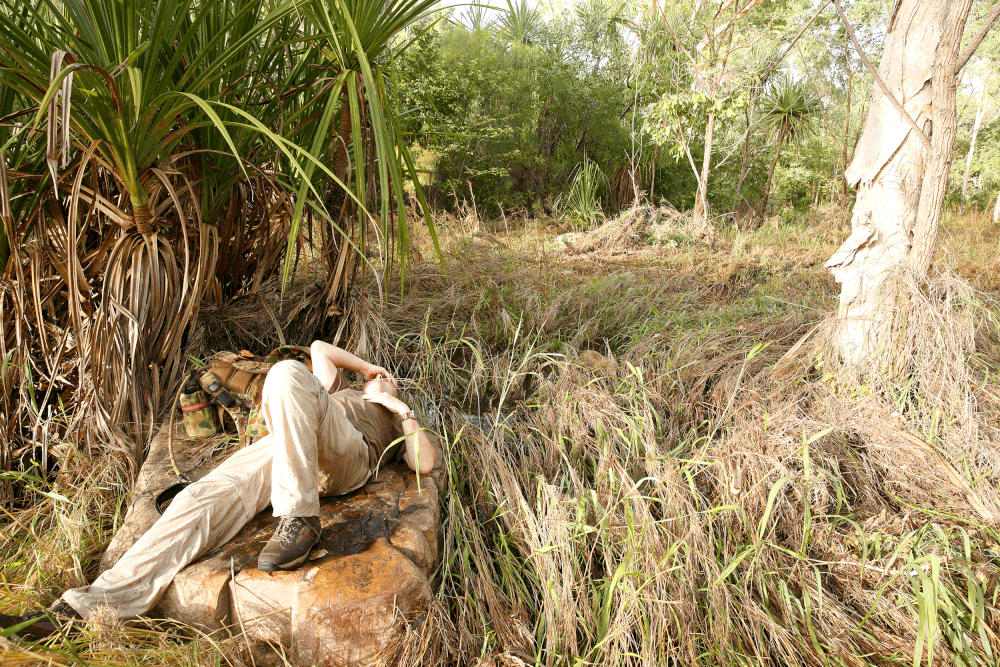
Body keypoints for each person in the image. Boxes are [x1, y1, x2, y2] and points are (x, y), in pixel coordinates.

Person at [0, 340, 436, 638]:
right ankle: (85, 609)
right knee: (200, 496)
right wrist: (365, 368)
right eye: (378, 378)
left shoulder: (395, 417)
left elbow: (425, 463)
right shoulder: (336, 388)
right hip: (290, 451)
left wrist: (399, 406)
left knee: (284, 373)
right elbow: (321, 349)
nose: (383, 379)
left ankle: (299, 519)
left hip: (348, 457)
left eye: (389, 378)